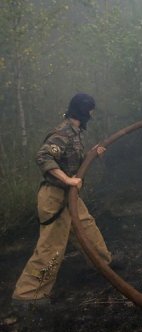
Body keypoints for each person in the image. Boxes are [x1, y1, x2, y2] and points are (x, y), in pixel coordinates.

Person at [12, 93, 113, 305]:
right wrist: (68, 180)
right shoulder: (62, 133)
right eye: (91, 112)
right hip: (55, 197)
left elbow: (72, 162)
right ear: (84, 112)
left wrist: (93, 154)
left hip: (70, 197)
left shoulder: (75, 134)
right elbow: (43, 156)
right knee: (51, 246)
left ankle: (103, 266)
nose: (91, 116)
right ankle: (28, 295)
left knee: (87, 228)